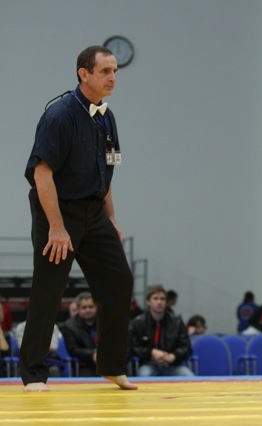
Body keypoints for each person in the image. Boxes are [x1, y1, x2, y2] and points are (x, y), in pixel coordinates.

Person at [21, 45, 136, 392]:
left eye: (115, 71)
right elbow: (42, 174)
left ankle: (112, 366)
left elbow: (106, 172)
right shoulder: (59, 116)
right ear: (83, 74)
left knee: (119, 282)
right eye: (105, 71)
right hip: (58, 212)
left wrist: (111, 219)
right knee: (49, 291)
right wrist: (56, 228)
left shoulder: (107, 117)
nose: (112, 78)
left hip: (94, 212)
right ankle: (33, 374)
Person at [128, 285, 194, 377]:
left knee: (189, 376)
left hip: (173, 365)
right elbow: (132, 347)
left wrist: (174, 356)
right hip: (148, 364)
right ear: (148, 302)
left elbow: (187, 347)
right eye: (155, 299)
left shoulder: (177, 322)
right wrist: (151, 352)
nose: (159, 302)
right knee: (145, 375)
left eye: (162, 299)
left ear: (166, 302)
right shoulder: (137, 323)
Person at [59, 292, 99, 377]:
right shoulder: (69, 326)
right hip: (84, 364)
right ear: (78, 309)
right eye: (84, 307)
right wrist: (92, 354)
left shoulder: (106, 322)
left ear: (96, 307)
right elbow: (73, 349)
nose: (88, 310)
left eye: (91, 307)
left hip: (108, 362)